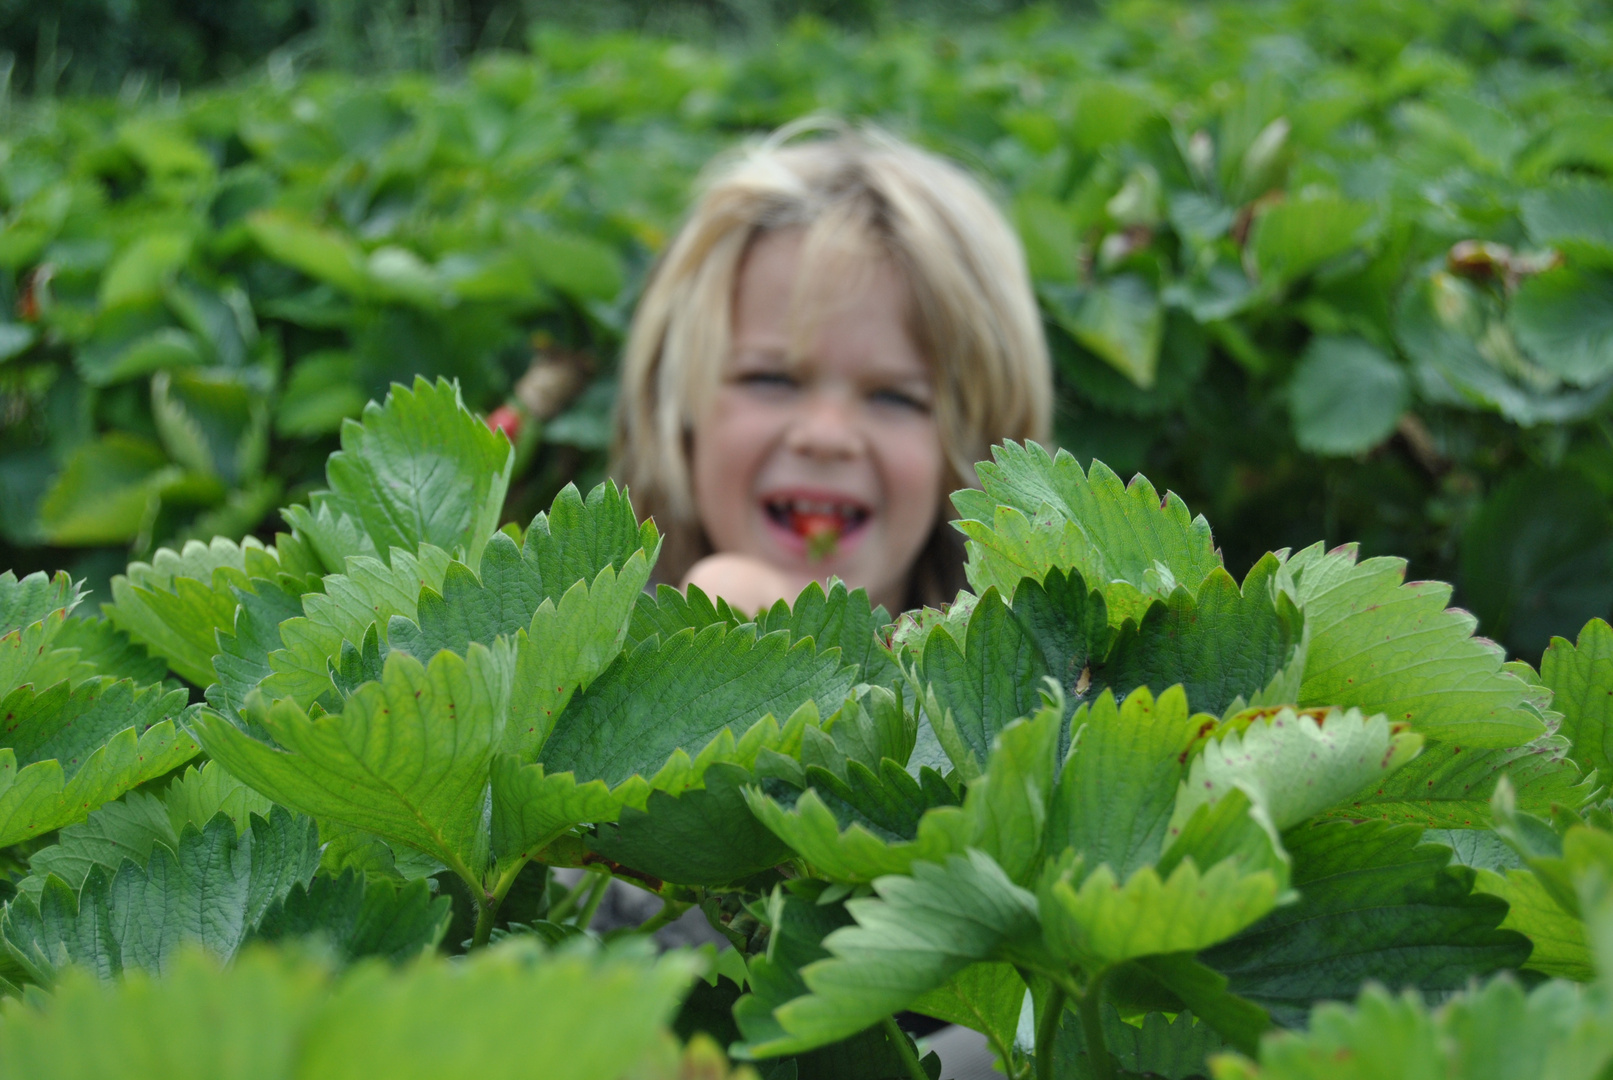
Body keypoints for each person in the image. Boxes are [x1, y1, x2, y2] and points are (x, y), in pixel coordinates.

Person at [612, 119, 1052, 617]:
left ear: (980, 452)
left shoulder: (1054, 678)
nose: (826, 436)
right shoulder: (590, 656)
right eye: (771, 379)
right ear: (678, 412)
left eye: (895, 396)